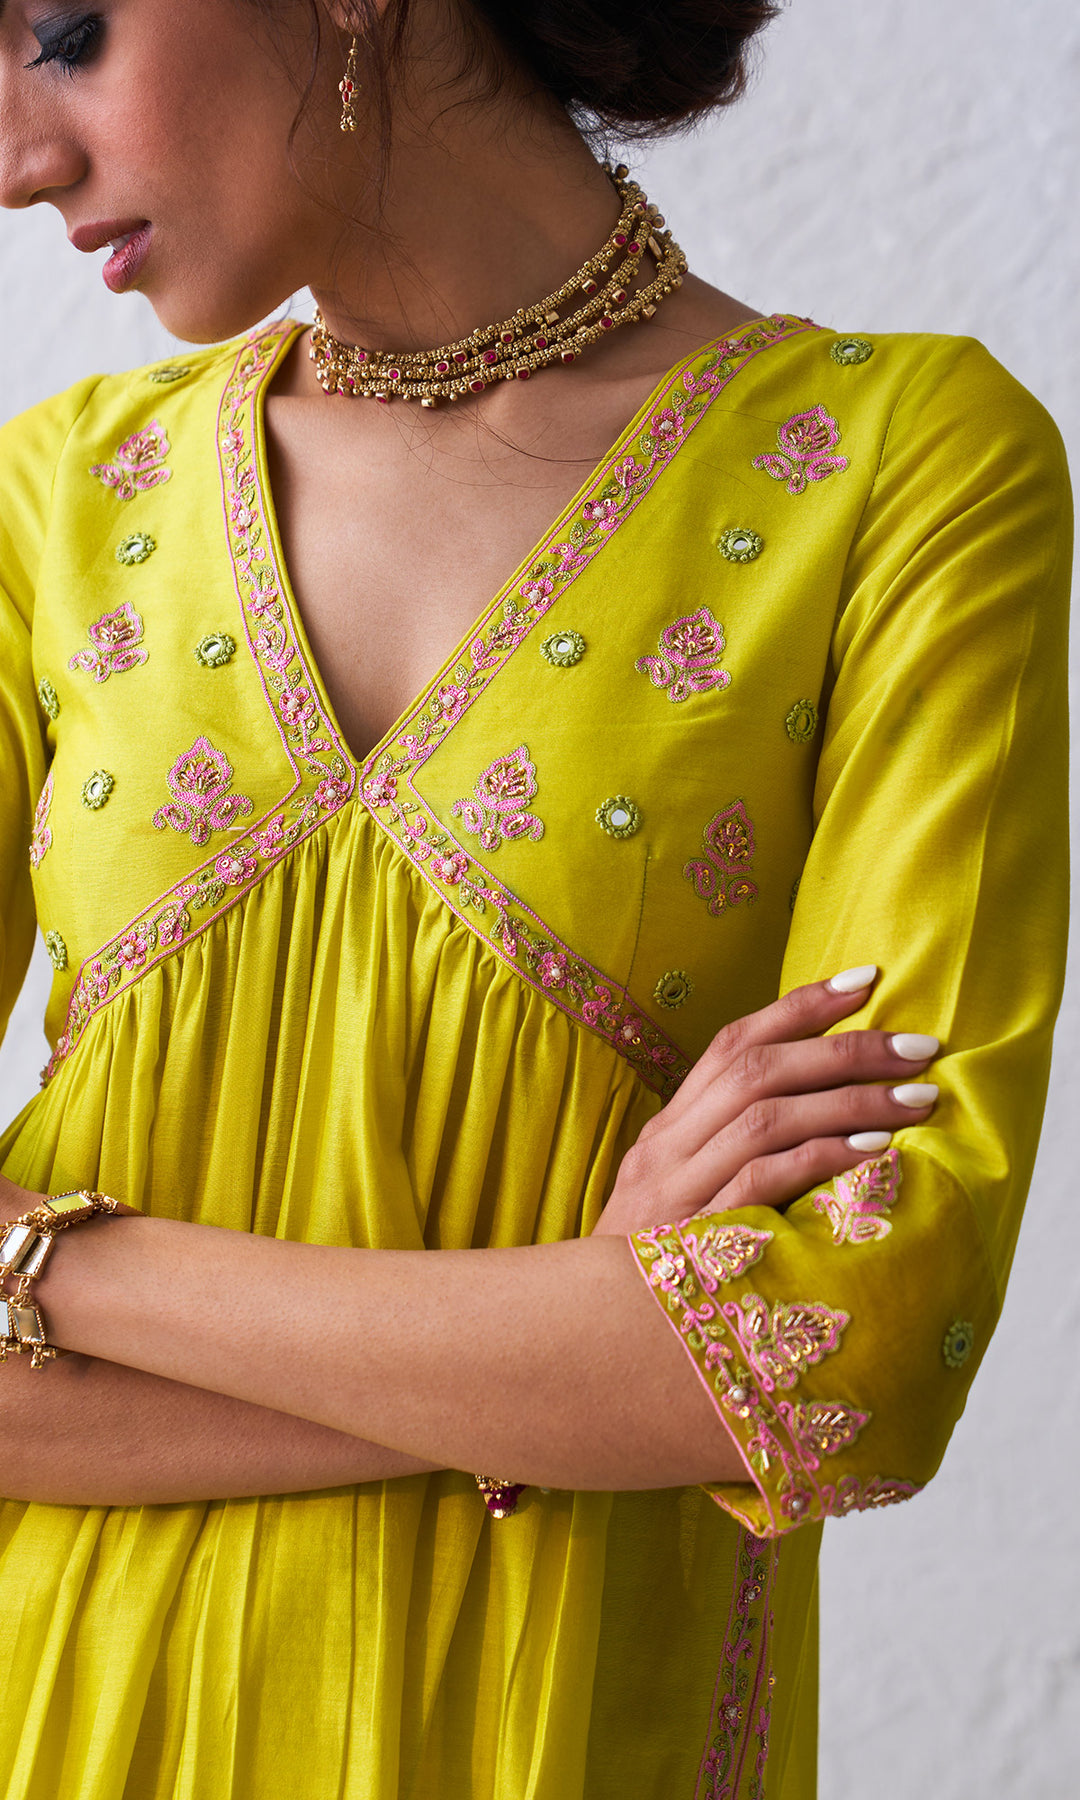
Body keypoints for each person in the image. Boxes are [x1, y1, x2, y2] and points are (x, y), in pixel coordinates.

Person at [0, 0, 1070, 1794]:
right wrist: (580, 1337)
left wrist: (48, 1259)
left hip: (564, 1727)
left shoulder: (904, 467)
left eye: (64, 32)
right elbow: (702, 1365)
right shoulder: (55, 507)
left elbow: (846, 1357)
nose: (17, 160)